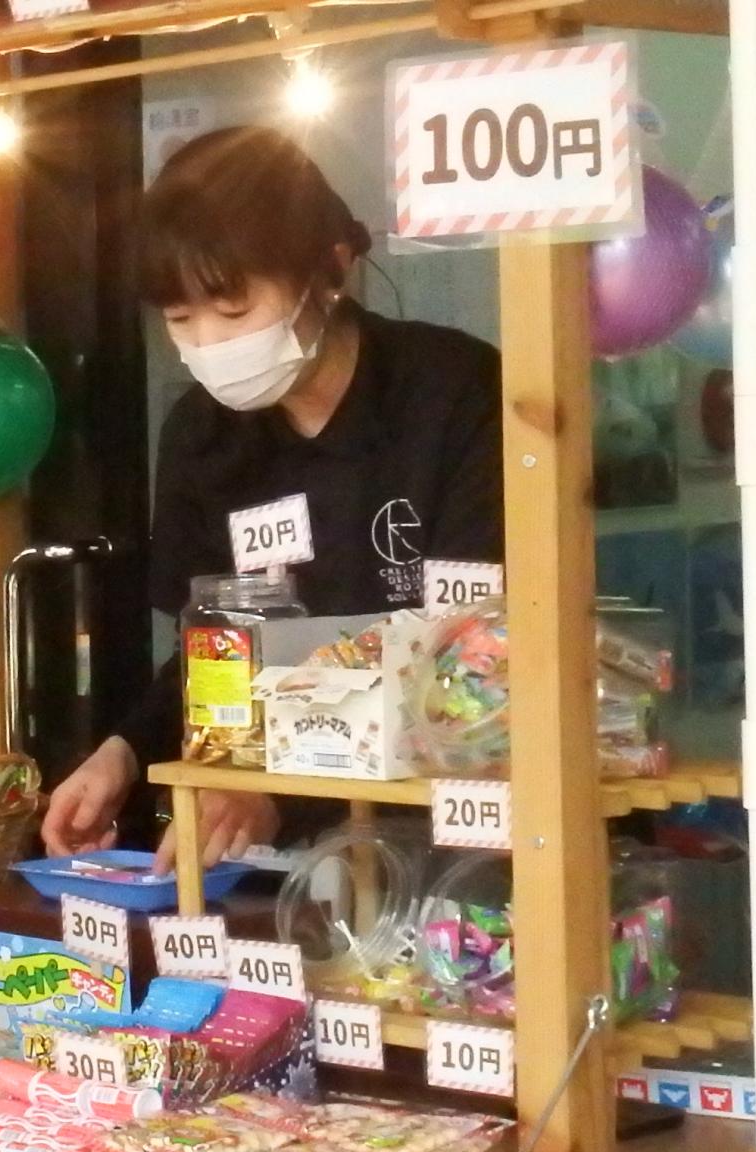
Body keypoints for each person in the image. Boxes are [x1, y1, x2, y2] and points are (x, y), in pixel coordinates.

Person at [42, 125, 504, 867]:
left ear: (331, 269)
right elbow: (206, 655)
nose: (211, 346)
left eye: (233, 312)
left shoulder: (456, 394)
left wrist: (280, 789)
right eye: (180, 320)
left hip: (459, 840)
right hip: (282, 868)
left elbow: (477, 661)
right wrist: (122, 755)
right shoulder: (201, 435)